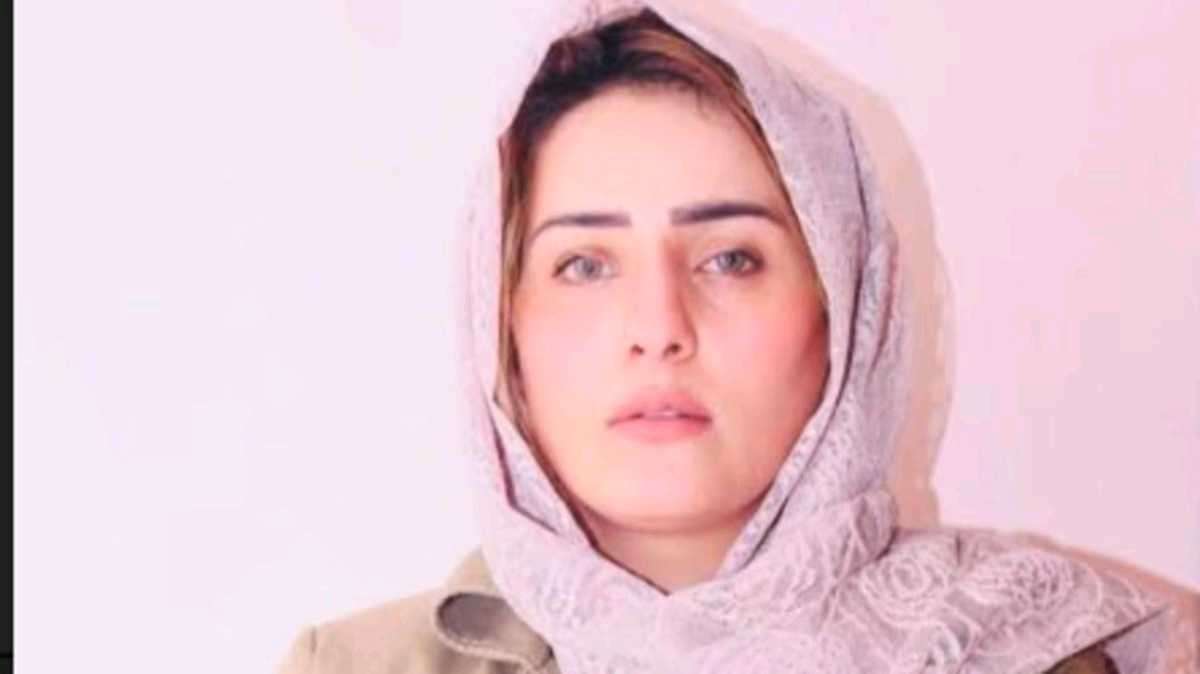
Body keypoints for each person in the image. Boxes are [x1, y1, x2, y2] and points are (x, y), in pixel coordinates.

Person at [278, 2, 1175, 672]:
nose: (658, 328)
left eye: (730, 260)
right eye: (585, 265)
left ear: (846, 313)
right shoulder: (356, 669)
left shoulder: (1025, 654)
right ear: (501, 327)